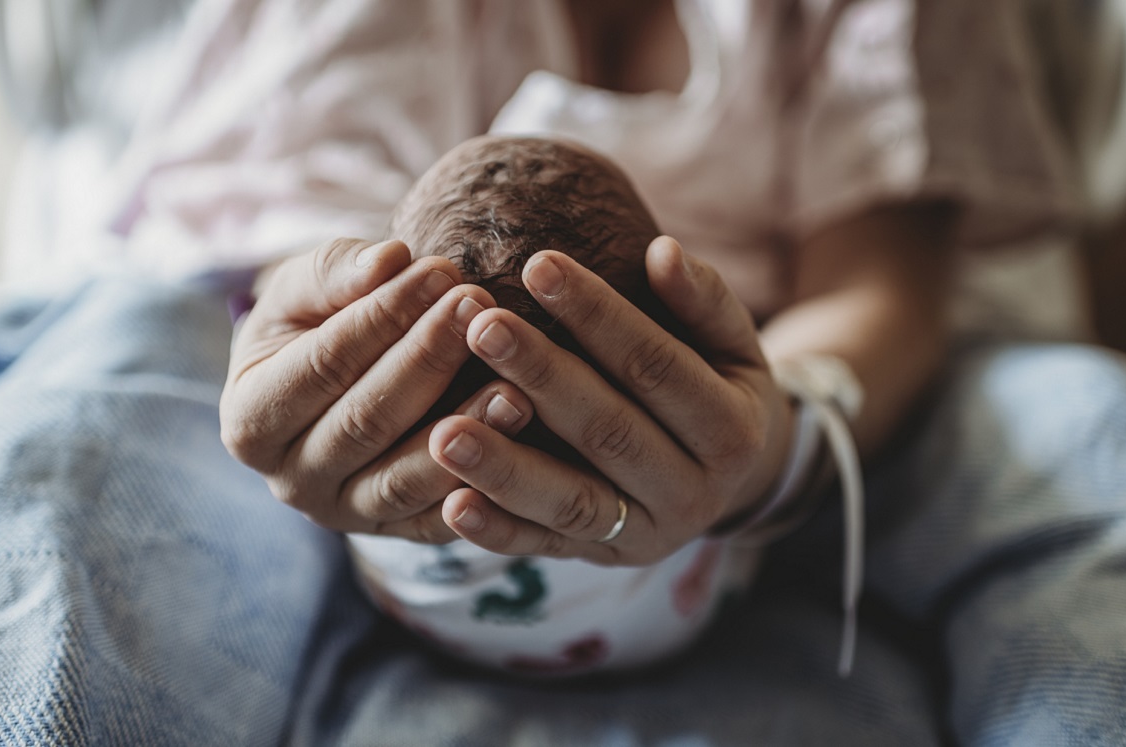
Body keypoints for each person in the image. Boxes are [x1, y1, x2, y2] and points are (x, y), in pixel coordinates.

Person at [0, 0, 1126, 744]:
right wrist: (322, 360)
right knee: (93, 383)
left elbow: (882, 284)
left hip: (810, 401)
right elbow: (299, 253)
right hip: (340, 456)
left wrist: (776, 434)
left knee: (1085, 418)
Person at [339, 133, 821, 675]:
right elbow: (788, 440)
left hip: (414, 613)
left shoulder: (368, 481)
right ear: (666, 327)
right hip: (667, 625)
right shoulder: (681, 458)